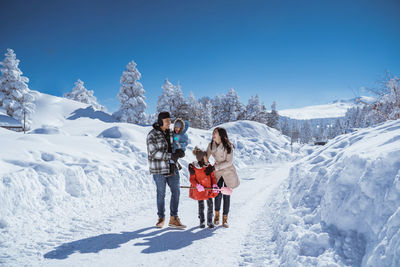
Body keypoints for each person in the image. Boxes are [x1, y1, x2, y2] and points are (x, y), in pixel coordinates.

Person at [146, 111, 186, 229]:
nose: (170, 123)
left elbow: (178, 142)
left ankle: (174, 218)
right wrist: (170, 156)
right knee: (161, 193)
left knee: (176, 191)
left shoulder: (170, 133)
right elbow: (153, 153)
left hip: (172, 167)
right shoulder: (152, 135)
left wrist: (179, 152)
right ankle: (161, 218)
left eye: (170, 120)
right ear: (160, 121)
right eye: (167, 121)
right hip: (159, 169)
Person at [206, 127, 239, 228]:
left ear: (220, 134)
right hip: (218, 173)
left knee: (226, 195)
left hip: (228, 171)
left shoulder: (228, 146)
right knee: (217, 194)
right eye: (213, 132)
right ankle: (216, 216)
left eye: (215, 132)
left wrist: (214, 167)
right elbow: (205, 157)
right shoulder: (211, 145)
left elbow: (229, 162)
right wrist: (205, 164)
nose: (213, 134)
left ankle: (225, 219)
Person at [188, 147, 219, 228]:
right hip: (199, 191)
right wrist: (197, 185)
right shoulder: (194, 168)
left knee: (210, 205)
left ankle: (209, 221)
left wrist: (214, 185)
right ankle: (202, 221)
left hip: (208, 190)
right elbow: (192, 179)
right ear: (201, 159)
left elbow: (213, 177)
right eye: (205, 157)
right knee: (201, 206)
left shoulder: (208, 166)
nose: (207, 159)